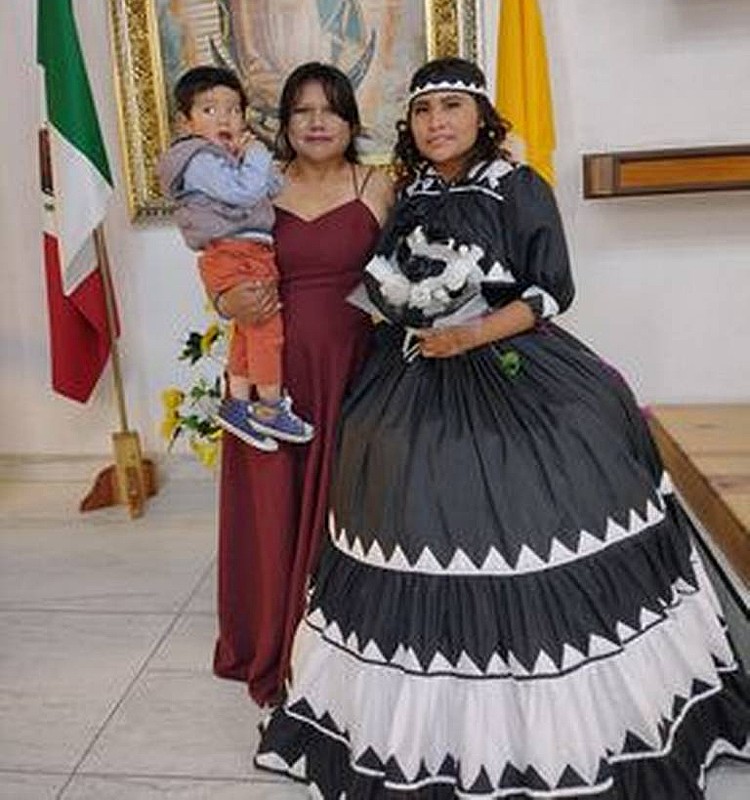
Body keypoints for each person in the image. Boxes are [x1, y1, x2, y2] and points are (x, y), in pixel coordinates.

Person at [255, 58, 750, 797]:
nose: (437, 123)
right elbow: (385, 277)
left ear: (481, 116)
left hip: (511, 354)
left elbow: (552, 290)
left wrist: (473, 334)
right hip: (418, 365)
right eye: (424, 111)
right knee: (391, 458)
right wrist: (411, 314)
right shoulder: (411, 191)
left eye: (452, 107)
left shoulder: (519, 185)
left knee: (538, 466)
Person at [211, 62, 394, 706]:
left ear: (350, 120)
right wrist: (227, 302)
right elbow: (222, 263)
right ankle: (271, 636)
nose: (317, 123)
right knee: (271, 504)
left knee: (348, 506)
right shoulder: (255, 185)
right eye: (302, 111)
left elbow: (404, 274)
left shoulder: (377, 185)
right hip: (271, 374)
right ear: (284, 122)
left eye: (331, 110)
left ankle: (339, 644)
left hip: (354, 370)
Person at [159, 65, 314, 452]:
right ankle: (270, 407)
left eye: (234, 110)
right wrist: (257, 154)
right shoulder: (198, 158)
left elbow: (269, 187)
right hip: (237, 251)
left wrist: (254, 160)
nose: (225, 118)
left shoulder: (224, 157)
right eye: (210, 110)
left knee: (248, 331)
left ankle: (239, 404)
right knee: (266, 328)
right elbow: (245, 192)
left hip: (244, 250)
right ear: (185, 122)